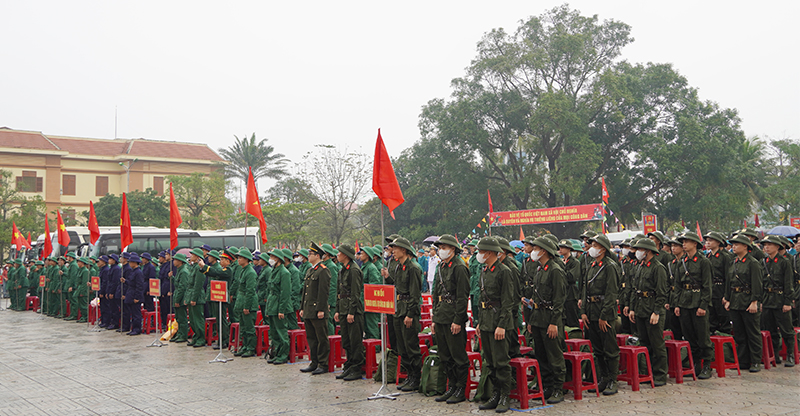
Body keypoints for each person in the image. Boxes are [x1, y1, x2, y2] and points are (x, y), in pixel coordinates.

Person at [524, 237, 567, 404]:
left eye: (536, 248)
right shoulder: (540, 269)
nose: (533, 250)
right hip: (538, 318)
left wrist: (554, 322)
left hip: (550, 319)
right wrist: (530, 321)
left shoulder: (555, 270)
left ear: (544, 251)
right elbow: (535, 297)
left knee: (554, 355)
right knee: (541, 355)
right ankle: (547, 386)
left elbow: (559, 300)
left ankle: (558, 388)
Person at [474, 237, 514, 413]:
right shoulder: (485, 271)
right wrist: (479, 323)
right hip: (486, 322)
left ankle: (505, 396)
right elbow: (482, 299)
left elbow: (508, 301)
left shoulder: (503, 271)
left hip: (499, 322)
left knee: (501, 361)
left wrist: (502, 325)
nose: (479, 255)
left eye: (481, 251)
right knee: (489, 361)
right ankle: (495, 394)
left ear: (489, 253)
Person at [429, 235, 470, 403]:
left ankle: (460, 388)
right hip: (441, 316)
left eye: (444, 247)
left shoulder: (459, 267)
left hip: (453, 316)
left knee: (458, 355)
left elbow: (462, 296)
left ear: (453, 249)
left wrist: (458, 319)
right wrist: (434, 318)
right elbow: (436, 293)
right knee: (444, 354)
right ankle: (451, 386)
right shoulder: (442, 267)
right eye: (439, 247)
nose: (441, 250)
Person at [580, 234, 620, 396]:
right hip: (591, 311)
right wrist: (583, 311)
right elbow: (585, 289)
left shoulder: (610, 266)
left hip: (605, 313)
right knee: (598, 349)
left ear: (602, 249)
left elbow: (611, 293)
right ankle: (603, 378)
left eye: (595, 245)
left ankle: (612, 380)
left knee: (610, 348)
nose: (591, 248)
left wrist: (604, 316)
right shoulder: (592, 265)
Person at [627, 238, 668, 386]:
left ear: (648, 251)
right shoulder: (640, 266)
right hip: (640, 308)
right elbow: (634, 289)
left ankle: (660, 375)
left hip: (652, 309)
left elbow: (662, 292)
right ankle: (648, 372)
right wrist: (632, 308)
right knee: (644, 342)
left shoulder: (658, 268)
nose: (637, 252)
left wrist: (656, 311)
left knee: (657, 343)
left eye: (640, 249)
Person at [674, 232, 713, 379]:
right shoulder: (681, 261)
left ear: (695, 243)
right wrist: (677, 304)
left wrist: (703, 305)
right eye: (683, 242)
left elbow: (707, 285)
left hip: (698, 301)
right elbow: (677, 285)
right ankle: (696, 363)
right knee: (689, 334)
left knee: (703, 335)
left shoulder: (703, 262)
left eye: (687, 242)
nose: (684, 244)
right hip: (684, 301)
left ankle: (707, 364)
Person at [723, 234, 763, 371]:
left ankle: (756, 360)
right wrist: (727, 298)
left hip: (747, 299)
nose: (733, 246)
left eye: (737, 244)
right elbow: (729, 282)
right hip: (735, 300)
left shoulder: (753, 263)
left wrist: (754, 301)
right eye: (733, 244)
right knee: (739, 333)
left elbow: (757, 284)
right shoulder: (733, 262)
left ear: (745, 246)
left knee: (752, 332)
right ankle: (743, 360)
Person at [388, 237, 423, 392]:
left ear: (404, 250)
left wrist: (410, 314)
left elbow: (415, 295)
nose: (392, 251)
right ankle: (409, 375)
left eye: (395, 248)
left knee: (411, 346)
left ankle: (416, 377)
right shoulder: (398, 267)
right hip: (399, 309)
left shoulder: (413, 268)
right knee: (402, 346)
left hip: (408, 311)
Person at [759, 235, 795, 367]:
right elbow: (761, 283)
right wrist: (761, 301)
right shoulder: (763, 262)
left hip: (780, 299)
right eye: (765, 245)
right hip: (768, 299)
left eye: (770, 245)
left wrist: (787, 302)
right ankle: (775, 355)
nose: (766, 247)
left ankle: (790, 355)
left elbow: (788, 283)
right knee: (770, 329)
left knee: (786, 330)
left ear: (777, 246)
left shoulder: (784, 262)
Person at [333, 244, 365, 381]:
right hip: (343, 308)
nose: (337, 255)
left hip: (353, 310)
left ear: (346, 255)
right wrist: (337, 310)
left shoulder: (353, 270)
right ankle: (349, 365)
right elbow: (339, 293)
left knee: (355, 340)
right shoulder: (342, 270)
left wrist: (351, 312)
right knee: (346, 340)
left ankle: (356, 368)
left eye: (339, 253)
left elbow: (355, 293)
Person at [300, 242, 331, 375]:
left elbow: (323, 292)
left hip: (317, 309)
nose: (308, 256)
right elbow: (305, 291)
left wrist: (321, 309)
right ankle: (314, 362)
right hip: (308, 309)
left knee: (321, 338)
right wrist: (302, 307)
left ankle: (323, 364)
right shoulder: (310, 270)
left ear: (317, 255)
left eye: (310, 254)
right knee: (311, 338)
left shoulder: (323, 270)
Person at [200, 250, 231, 350]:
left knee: (222, 320)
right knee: (218, 320)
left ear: (228, 261)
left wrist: (204, 266)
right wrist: (202, 268)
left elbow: (215, 272)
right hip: (217, 297)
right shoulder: (222, 269)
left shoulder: (228, 270)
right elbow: (212, 273)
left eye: (222, 260)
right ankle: (221, 340)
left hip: (222, 298)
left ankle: (224, 341)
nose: (220, 261)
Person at [704, 232, 733, 334]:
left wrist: (726, 295)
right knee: (711, 320)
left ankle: (726, 347)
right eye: (707, 240)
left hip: (721, 289)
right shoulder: (707, 257)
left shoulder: (725, 257)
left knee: (724, 319)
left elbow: (728, 277)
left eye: (710, 240)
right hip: (711, 290)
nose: (707, 243)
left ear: (718, 242)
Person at [233, 248, 258, 357]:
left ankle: (251, 348)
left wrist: (247, 306)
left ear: (247, 259)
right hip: (241, 302)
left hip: (248, 304)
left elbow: (250, 291)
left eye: (240, 258)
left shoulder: (250, 272)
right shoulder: (243, 270)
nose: (238, 260)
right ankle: (245, 346)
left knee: (249, 328)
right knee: (243, 327)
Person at [184, 248, 207, 347]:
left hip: (197, 296)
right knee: (192, 319)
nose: (191, 256)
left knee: (198, 319)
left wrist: (194, 298)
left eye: (192, 255)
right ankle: (196, 337)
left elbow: (198, 285)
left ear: (197, 257)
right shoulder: (193, 267)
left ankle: (201, 338)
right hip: (191, 294)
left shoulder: (199, 268)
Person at [360, 247, 382, 340]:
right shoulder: (364, 266)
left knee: (371, 325)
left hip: (370, 301)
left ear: (368, 255)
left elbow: (375, 285)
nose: (360, 255)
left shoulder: (371, 268)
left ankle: (375, 347)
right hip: (363, 299)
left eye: (362, 253)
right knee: (366, 325)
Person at [122, 254, 144, 335]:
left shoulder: (138, 272)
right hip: (130, 294)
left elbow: (139, 286)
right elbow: (131, 283)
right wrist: (125, 281)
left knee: (136, 314)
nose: (129, 264)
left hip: (135, 295)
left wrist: (137, 297)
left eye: (130, 262)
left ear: (135, 263)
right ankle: (133, 328)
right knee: (132, 312)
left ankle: (137, 329)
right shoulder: (133, 271)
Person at [321, 244, 341, 336]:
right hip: (323, 299)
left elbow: (333, 286)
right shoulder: (323, 265)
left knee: (328, 323)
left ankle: (331, 345)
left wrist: (329, 301)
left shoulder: (331, 266)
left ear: (327, 254)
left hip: (329, 301)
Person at [282, 248, 302, 330]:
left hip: (291, 301)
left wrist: (291, 301)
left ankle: (296, 341)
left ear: (286, 258)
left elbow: (296, 288)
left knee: (292, 322)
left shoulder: (294, 271)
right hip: (285, 301)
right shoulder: (283, 269)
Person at [74, 257, 90, 323]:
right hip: (79, 289)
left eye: (79, 262)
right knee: (80, 304)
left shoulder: (85, 271)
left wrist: (82, 292)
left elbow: (84, 283)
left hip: (83, 290)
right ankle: (83, 316)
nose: (78, 263)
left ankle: (85, 317)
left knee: (84, 305)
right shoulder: (80, 270)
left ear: (82, 263)